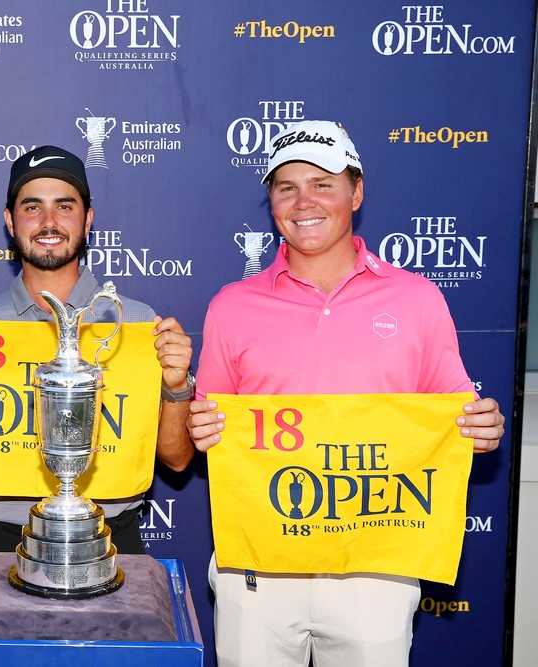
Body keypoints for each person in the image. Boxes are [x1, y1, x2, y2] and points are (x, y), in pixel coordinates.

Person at [186, 119, 505, 666]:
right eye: (286, 187)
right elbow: (212, 431)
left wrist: (481, 429)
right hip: (258, 563)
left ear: (355, 192)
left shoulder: (418, 300)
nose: (303, 201)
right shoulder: (230, 306)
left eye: (322, 183)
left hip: (375, 565)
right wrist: (201, 428)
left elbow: (455, 420)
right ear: (271, 202)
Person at [0, 145, 201, 555]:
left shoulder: (136, 324)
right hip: (2, 541)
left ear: (87, 219)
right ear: (10, 221)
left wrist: (176, 387)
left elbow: (176, 460)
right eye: (32, 207)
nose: (49, 222)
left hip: (111, 537)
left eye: (64, 207)